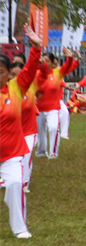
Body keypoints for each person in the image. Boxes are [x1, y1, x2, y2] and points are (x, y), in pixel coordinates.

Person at [1, 27, 43, 238]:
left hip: (11, 154)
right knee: (12, 187)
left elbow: (30, 69)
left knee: (16, 183)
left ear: (8, 73)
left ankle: (20, 228)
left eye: (0, 71)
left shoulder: (16, 88)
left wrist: (36, 47)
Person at [34, 48, 77, 159]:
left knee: (53, 128)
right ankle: (41, 152)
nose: (44, 63)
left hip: (53, 108)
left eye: (47, 61)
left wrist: (70, 57)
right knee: (40, 132)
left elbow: (68, 66)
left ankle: (53, 153)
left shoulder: (57, 72)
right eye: (42, 60)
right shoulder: (37, 73)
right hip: (39, 108)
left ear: (52, 63)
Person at [9, 60, 39, 193]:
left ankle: (24, 183)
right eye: (13, 75)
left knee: (26, 156)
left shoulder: (31, 86)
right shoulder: (7, 89)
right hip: (11, 132)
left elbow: (41, 72)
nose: (16, 78)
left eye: (19, 74)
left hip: (29, 131)